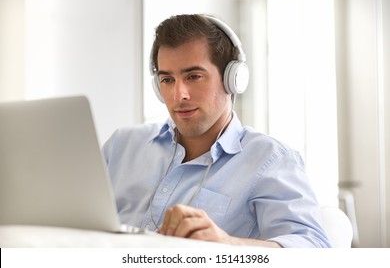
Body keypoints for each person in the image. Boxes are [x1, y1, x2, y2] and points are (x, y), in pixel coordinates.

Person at [102, 14, 331, 248]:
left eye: (194, 76)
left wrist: (227, 243)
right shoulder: (122, 145)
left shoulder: (271, 160)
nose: (178, 95)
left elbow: (313, 247)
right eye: (167, 79)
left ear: (233, 79)